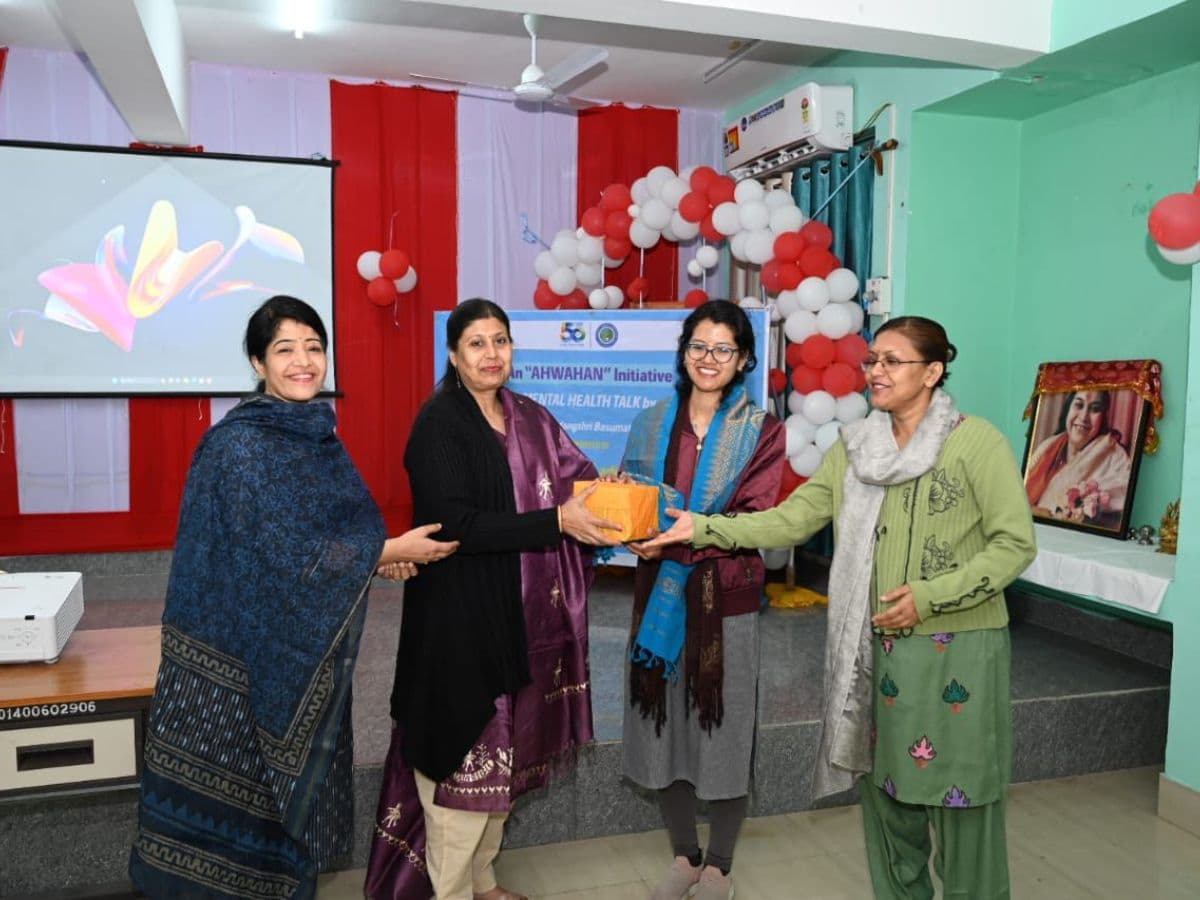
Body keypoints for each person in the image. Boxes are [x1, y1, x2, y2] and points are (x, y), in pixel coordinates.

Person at [644, 316, 1037, 900]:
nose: (876, 371)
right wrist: (701, 526)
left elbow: (1015, 544)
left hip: (957, 654)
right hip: (874, 649)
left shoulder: (975, 443)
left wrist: (929, 598)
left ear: (932, 372)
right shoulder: (857, 447)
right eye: (872, 359)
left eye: (892, 361)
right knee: (888, 796)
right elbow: (794, 518)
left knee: (962, 805)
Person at [129, 295, 459, 900]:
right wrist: (382, 554)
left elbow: (323, 541)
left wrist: (370, 566)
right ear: (258, 361)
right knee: (230, 817)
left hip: (300, 647)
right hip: (235, 667)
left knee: (284, 825)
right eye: (285, 349)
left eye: (314, 347)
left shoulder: (314, 434)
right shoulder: (240, 446)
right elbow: (278, 553)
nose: (304, 361)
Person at [366, 298, 619, 900]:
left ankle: (483, 883)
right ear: (453, 355)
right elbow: (457, 526)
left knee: (501, 765)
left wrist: (612, 498)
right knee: (462, 773)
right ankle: (450, 890)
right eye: (476, 343)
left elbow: (573, 477)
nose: (491, 353)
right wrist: (556, 520)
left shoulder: (528, 415)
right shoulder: (439, 426)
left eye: (500, 341)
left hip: (517, 620)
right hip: (457, 624)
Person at [619, 300, 784, 900]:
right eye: (698, 347)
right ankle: (684, 856)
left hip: (725, 599)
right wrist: (632, 534)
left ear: (743, 360)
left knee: (723, 724)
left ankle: (719, 863)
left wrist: (696, 529)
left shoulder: (761, 431)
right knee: (663, 727)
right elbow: (631, 499)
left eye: (723, 350)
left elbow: (760, 517)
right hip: (659, 594)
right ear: (682, 351)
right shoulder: (650, 421)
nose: (708, 360)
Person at [1024, 390, 1132, 527]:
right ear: (1068, 408)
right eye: (1079, 405)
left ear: (1103, 417)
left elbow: (1120, 500)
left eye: (1095, 409)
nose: (1084, 417)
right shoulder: (1049, 446)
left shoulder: (1115, 457)